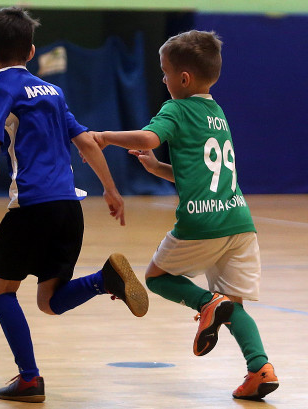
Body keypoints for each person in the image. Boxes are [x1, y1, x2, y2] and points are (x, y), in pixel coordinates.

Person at [0, 7, 148, 403]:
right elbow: (86, 142)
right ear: (31, 51)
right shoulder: (52, 91)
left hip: (33, 207)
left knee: (1, 289)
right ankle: (104, 280)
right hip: (69, 207)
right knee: (49, 301)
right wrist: (111, 189)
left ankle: (29, 378)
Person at [90, 30, 278, 401]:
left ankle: (207, 304)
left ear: (184, 79)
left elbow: (148, 139)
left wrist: (106, 137)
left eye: (165, 73)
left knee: (156, 277)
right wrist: (156, 168)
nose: (163, 80)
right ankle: (260, 368)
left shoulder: (176, 109)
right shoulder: (217, 113)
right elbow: (200, 173)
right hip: (239, 221)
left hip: (202, 221)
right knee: (233, 304)